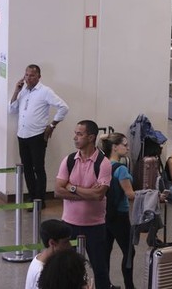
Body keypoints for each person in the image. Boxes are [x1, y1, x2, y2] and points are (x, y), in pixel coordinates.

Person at [55, 120, 112, 289]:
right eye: (75, 133)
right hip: (69, 225)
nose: (75, 138)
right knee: (68, 270)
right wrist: (85, 193)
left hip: (95, 227)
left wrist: (71, 188)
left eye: (79, 134)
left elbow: (99, 194)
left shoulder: (103, 163)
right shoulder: (69, 160)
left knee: (100, 270)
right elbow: (58, 191)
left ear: (91, 137)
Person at [9, 64, 69, 208]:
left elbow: (64, 107)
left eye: (32, 76)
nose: (28, 78)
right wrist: (16, 91)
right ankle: (31, 196)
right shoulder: (23, 91)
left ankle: (40, 200)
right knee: (27, 168)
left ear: (39, 77)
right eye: (27, 75)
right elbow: (11, 110)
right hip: (22, 135)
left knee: (38, 168)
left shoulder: (45, 91)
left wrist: (52, 125)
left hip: (37, 136)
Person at [101, 133, 136, 289]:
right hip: (120, 215)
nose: (127, 148)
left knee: (106, 251)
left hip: (105, 214)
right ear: (115, 147)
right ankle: (129, 285)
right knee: (129, 252)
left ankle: (105, 284)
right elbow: (130, 195)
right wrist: (152, 196)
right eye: (125, 144)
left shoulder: (103, 164)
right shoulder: (121, 169)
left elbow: (100, 140)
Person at [25, 219, 73, 289]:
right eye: (65, 242)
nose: (70, 246)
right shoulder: (42, 273)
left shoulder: (41, 258)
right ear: (52, 243)